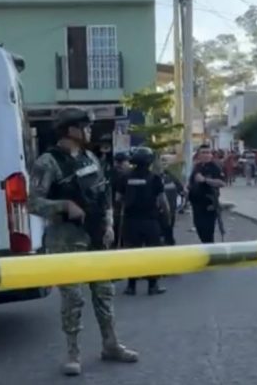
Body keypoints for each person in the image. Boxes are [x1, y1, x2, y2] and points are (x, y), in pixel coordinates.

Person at [28, 107, 138, 376]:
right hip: (66, 239)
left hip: (96, 234)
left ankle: (110, 344)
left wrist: (109, 223)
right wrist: (64, 205)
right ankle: (73, 353)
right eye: (84, 126)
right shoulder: (48, 162)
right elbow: (32, 202)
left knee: (105, 293)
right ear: (70, 130)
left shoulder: (90, 157)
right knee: (73, 299)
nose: (89, 131)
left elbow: (104, 192)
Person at [116, 146, 170, 296]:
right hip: (150, 221)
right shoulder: (155, 178)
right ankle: (153, 286)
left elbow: (118, 199)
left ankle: (131, 286)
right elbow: (163, 201)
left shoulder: (125, 177)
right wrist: (167, 217)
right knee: (152, 254)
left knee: (133, 254)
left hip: (130, 221)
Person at [188, 144, 225, 243]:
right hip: (196, 205)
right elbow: (192, 182)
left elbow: (221, 183)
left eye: (208, 152)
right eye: (203, 153)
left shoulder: (215, 167)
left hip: (209, 205)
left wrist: (205, 180)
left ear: (211, 155)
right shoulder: (197, 167)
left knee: (207, 233)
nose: (206, 155)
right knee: (200, 230)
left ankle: (211, 253)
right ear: (199, 155)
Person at [158, 163, 185, 246]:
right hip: (165, 210)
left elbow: (182, 191)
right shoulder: (155, 177)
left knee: (166, 231)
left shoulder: (170, 177)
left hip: (167, 210)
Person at [112, 151, 131, 248]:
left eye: (122, 162)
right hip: (115, 209)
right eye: (118, 162)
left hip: (120, 210)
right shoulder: (111, 174)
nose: (120, 164)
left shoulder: (130, 176)